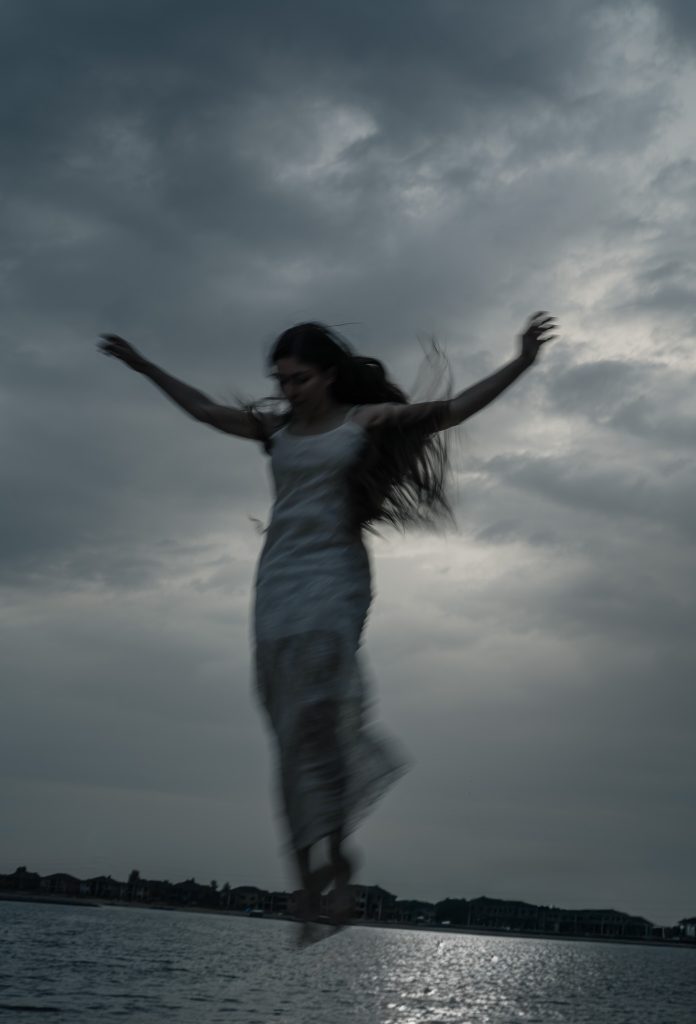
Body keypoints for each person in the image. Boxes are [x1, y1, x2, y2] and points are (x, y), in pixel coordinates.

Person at [98, 312, 555, 942]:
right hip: (278, 582)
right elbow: (204, 410)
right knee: (289, 724)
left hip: (335, 578)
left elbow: (450, 411)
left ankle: (332, 861)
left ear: (331, 375)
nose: (290, 391)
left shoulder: (363, 421)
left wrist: (522, 361)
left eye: (301, 378)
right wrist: (144, 365)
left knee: (322, 709)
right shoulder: (277, 432)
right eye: (282, 381)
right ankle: (314, 871)